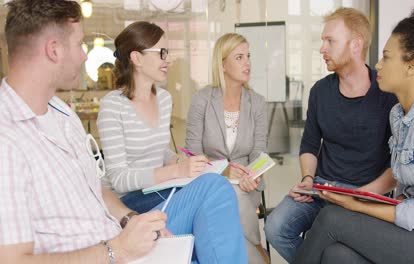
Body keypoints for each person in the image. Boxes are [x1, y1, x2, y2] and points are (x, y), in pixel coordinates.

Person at [0, 1, 247, 263]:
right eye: (79, 43)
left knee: (212, 198)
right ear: (53, 50)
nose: (85, 55)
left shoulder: (61, 114)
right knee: (208, 213)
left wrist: (130, 219)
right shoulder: (8, 140)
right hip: (109, 250)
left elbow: (94, 188)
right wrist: (117, 249)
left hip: (118, 235)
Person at [294, 0, 414, 263]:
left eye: (386, 57)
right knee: (336, 255)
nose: (377, 65)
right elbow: (398, 184)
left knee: (331, 218)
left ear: (412, 66)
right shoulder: (399, 115)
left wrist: (359, 205)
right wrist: (356, 197)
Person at [264, 7, 398, 263]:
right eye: (322, 40)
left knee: (335, 250)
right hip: (321, 187)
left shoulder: (387, 95)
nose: (321, 48)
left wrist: (361, 196)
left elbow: (397, 166)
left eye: (330, 41)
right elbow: (310, 144)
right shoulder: (320, 91)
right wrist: (307, 179)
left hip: (364, 193)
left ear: (356, 45)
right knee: (275, 227)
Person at [97, 21, 210, 214]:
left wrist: (177, 160)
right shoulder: (112, 106)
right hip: (124, 201)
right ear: (136, 58)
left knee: (211, 186)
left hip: (155, 188)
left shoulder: (164, 99)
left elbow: (157, 152)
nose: (167, 59)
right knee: (207, 192)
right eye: (161, 52)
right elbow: (119, 179)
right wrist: (175, 171)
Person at [185, 33, 269, 264]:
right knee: (229, 195)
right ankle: (257, 249)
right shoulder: (202, 99)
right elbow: (192, 152)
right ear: (222, 64)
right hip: (210, 181)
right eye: (239, 57)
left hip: (248, 184)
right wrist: (222, 171)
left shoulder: (258, 102)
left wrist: (253, 174)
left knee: (237, 195)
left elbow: (259, 153)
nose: (248, 63)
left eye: (248, 56)